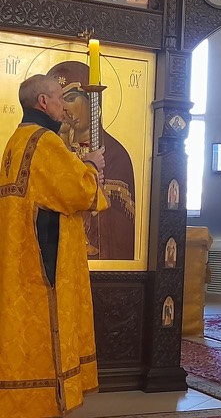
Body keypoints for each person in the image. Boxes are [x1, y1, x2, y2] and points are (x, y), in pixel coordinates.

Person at [0, 74, 109, 416]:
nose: (64, 106)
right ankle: (43, 400)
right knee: (48, 333)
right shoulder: (45, 141)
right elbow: (81, 192)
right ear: (43, 102)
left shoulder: (15, 141)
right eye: (60, 98)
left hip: (19, 259)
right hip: (44, 264)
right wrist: (91, 165)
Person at [47, 61, 136, 261]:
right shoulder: (54, 148)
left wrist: (95, 197)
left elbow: (123, 223)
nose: (64, 108)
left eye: (71, 99)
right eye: (59, 101)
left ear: (93, 102)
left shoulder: (115, 154)